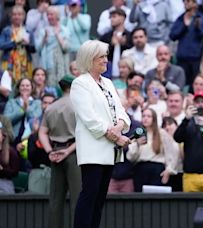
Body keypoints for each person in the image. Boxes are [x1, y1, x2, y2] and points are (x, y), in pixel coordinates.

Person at [70, 40, 131, 228]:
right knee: (89, 195)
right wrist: (116, 136)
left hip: (110, 150)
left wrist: (120, 127)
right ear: (90, 58)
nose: (106, 60)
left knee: (99, 199)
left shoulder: (108, 82)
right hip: (93, 149)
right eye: (102, 56)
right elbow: (90, 119)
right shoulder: (80, 83)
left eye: (106, 55)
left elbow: (121, 112)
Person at [38, 75, 81, 228]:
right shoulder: (79, 105)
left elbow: (42, 132)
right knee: (77, 199)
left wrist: (50, 151)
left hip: (55, 153)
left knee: (56, 200)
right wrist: (68, 151)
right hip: (74, 154)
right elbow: (84, 135)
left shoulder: (51, 107)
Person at [126, 108, 179, 192]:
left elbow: (172, 152)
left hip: (157, 170)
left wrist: (169, 170)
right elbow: (131, 157)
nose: (145, 118)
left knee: (155, 199)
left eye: (149, 116)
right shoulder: (137, 134)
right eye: (143, 116)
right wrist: (137, 144)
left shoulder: (161, 133)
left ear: (154, 119)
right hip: (141, 170)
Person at [0, 5, 35, 82]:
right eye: (14, 14)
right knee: (7, 83)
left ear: (23, 16)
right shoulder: (6, 30)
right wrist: (15, 42)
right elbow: (1, 45)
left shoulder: (28, 30)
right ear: (11, 16)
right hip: (9, 62)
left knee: (24, 83)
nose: (17, 17)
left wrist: (28, 44)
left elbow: (33, 49)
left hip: (24, 63)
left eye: (19, 14)